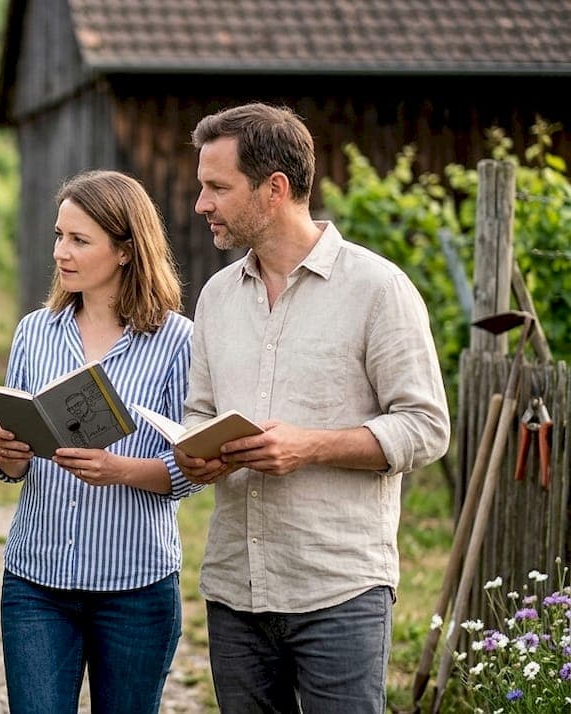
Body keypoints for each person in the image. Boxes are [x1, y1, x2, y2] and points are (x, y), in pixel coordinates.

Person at [178, 103, 450, 713]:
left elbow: (427, 428)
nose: (202, 204)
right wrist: (199, 454)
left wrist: (308, 446)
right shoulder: (218, 297)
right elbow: (199, 412)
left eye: (217, 187)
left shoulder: (378, 289)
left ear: (274, 189)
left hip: (339, 591)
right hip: (233, 591)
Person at [0, 170, 200, 713]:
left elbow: (195, 466)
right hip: (37, 581)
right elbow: (10, 464)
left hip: (136, 585)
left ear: (126, 250)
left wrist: (121, 470)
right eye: (59, 236)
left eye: (80, 240)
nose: (62, 251)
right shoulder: (35, 330)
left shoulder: (178, 342)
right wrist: (7, 456)